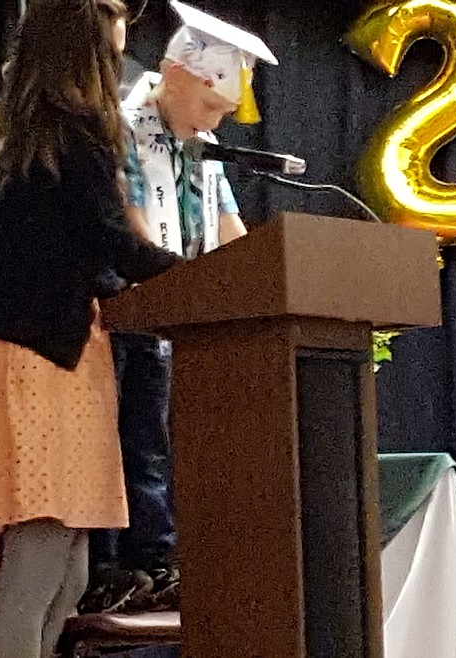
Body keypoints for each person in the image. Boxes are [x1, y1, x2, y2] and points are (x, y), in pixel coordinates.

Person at [0, 0, 179, 655]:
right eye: (110, 17)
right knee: (37, 570)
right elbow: (112, 241)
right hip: (42, 363)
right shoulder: (70, 132)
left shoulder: (19, 134)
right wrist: (196, 275)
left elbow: (62, 252)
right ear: (81, 39)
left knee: (67, 571)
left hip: (28, 356)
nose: (121, 33)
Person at [81, 0, 278, 614]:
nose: (213, 120)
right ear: (177, 75)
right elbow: (131, 228)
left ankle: (168, 556)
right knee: (137, 447)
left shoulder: (205, 146)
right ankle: (135, 561)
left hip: (184, 329)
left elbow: (229, 233)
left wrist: (267, 288)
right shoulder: (121, 127)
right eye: (211, 105)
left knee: (168, 448)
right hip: (131, 318)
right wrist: (181, 291)